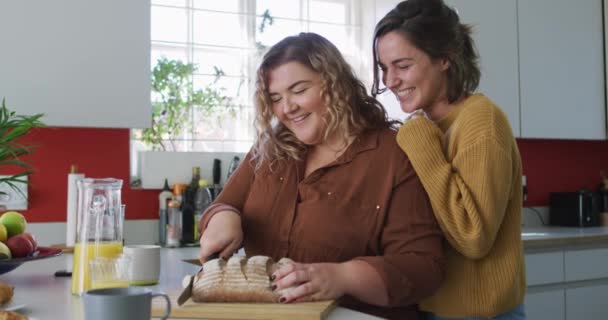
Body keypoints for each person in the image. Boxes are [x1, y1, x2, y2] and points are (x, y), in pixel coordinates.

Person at [198, 32, 445, 319]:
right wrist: (223, 218)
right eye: (276, 98)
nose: (287, 108)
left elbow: (424, 268)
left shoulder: (393, 154)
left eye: (299, 90)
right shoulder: (270, 149)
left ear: (335, 85)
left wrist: (341, 277)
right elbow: (223, 205)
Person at [372, 0, 526, 319]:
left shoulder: (480, 122)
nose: (390, 81)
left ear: (445, 58)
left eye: (402, 65)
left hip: (477, 315)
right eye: (384, 67)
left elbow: (473, 237)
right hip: (435, 307)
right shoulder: (428, 127)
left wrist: (420, 141)